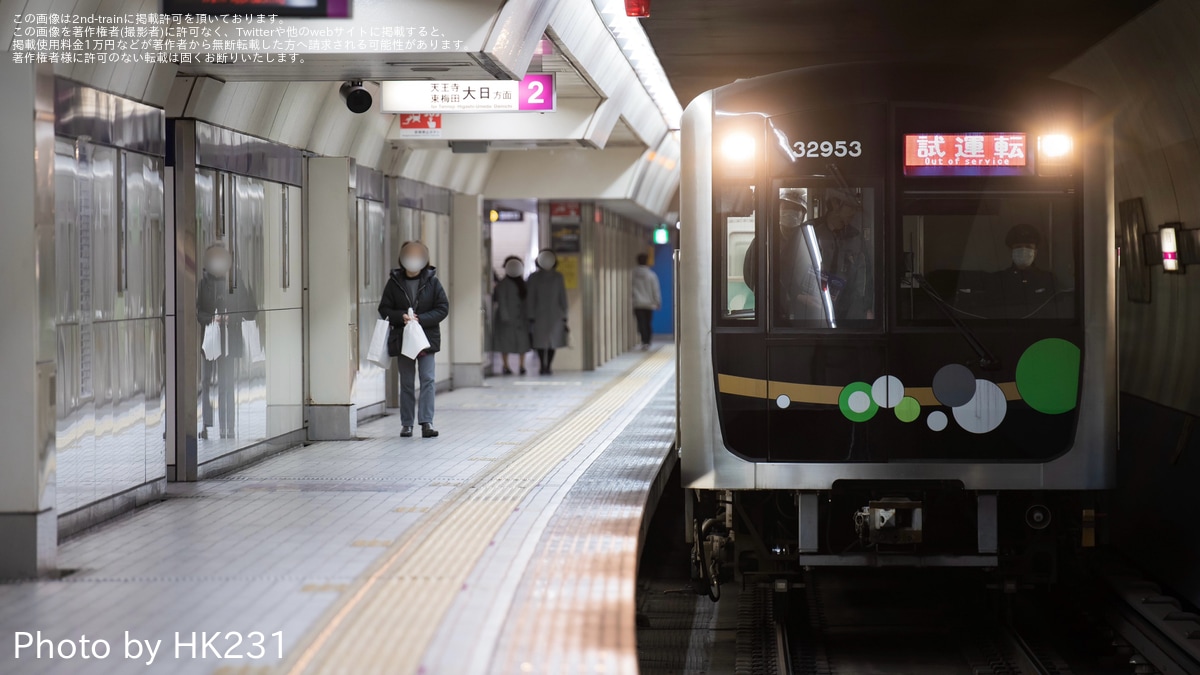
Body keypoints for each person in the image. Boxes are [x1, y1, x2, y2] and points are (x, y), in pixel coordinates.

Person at [378, 241, 449, 438]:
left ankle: (426, 422)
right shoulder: (394, 282)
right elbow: (384, 308)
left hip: (426, 339)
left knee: (428, 379)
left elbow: (443, 307)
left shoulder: (432, 281)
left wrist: (421, 319)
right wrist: (401, 316)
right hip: (403, 338)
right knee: (407, 381)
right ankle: (407, 423)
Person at [196, 242, 258, 440]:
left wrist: (232, 317)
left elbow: (250, 309)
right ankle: (207, 424)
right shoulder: (204, 283)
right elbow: (198, 311)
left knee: (226, 384)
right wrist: (211, 319)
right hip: (210, 339)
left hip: (230, 339)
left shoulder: (236, 279)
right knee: (206, 382)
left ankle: (228, 425)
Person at [991, 223, 1057, 318]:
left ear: (1035, 252)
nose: (1023, 251)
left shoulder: (1048, 279)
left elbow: (1053, 312)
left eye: (1028, 247)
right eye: (1018, 247)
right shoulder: (998, 280)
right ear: (1011, 251)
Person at [526, 248, 569, 375]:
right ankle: (542, 365)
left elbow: (563, 296)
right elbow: (530, 298)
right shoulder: (533, 277)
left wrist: (565, 313)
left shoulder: (558, 277)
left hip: (555, 315)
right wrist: (530, 315)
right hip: (539, 314)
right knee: (540, 341)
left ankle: (548, 365)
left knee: (552, 342)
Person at [493, 255, 531, 374]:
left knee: (522, 343)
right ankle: (505, 365)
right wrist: (505, 317)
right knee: (505, 343)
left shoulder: (523, 283)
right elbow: (501, 301)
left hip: (521, 318)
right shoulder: (503, 284)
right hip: (507, 319)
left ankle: (521, 365)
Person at [631, 252, 662, 350]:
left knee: (641, 322)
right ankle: (647, 341)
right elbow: (655, 289)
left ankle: (644, 340)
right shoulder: (651, 275)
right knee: (647, 322)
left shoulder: (633, 275)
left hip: (638, 303)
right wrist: (657, 301)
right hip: (649, 304)